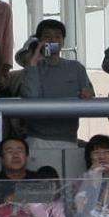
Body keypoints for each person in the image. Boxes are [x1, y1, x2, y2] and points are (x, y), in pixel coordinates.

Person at [17, 18, 94, 146]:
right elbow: (30, 97)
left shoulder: (76, 68)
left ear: (63, 41)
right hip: (36, 139)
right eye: (47, 37)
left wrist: (88, 94)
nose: (53, 40)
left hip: (68, 139)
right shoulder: (32, 69)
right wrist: (33, 62)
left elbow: (90, 96)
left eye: (58, 37)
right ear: (39, 41)